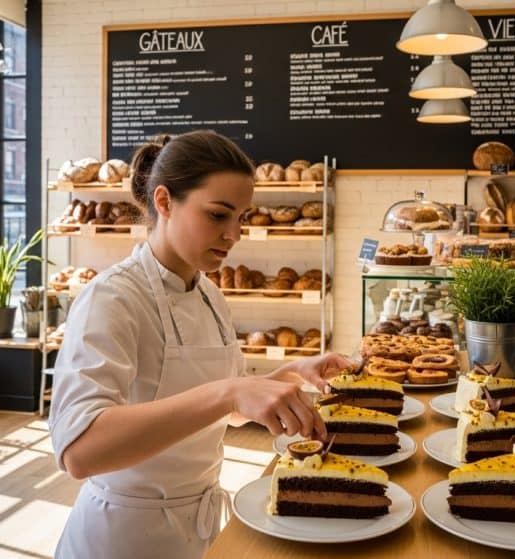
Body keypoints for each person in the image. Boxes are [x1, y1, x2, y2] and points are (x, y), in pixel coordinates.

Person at [48, 131, 352, 559]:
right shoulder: (113, 298)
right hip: (122, 537)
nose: (234, 235)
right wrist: (230, 390)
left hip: (199, 530)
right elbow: (80, 451)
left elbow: (221, 406)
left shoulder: (209, 293)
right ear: (164, 202)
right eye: (217, 215)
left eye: (241, 217)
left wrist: (288, 376)